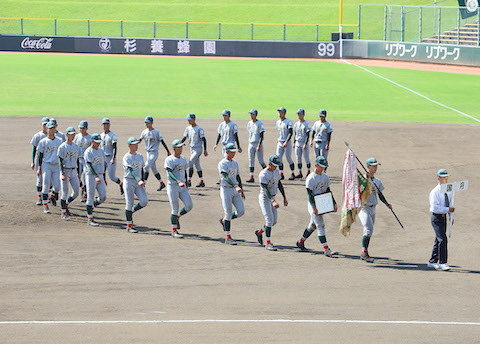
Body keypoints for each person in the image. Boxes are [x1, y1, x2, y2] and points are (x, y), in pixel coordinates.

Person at [295, 156, 338, 257]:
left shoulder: (325, 177)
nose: (323, 168)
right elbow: (309, 194)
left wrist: (334, 203)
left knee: (312, 225)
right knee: (320, 225)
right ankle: (326, 249)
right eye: (322, 166)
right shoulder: (310, 178)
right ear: (316, 165)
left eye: (324, 167)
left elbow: (328, 190)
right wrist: (313, 207)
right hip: (313, 203)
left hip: (322, 202)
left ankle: (300, 242)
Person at [358, 158, 393, 263]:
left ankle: (364, 251)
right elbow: (357, 192)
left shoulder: (377, 181)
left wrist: (387, 203)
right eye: (374, 166)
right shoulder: (362, 180)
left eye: (376, 166)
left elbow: (380, 194)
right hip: (363, 208)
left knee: (369, 231)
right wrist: (365, 181)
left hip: (373, 207)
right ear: (368, 167)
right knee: (368, 229)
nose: (376, 167)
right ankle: (364, 252)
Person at [255, 155, 288, 251]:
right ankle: (268, 243)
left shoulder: (276, 171)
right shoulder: (263, 174)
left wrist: (284, 197)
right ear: (269, 164)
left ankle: (259, 232)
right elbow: (265, 189)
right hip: (265, 198)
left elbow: (279, 184)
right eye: (274, 165)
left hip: (273, 197)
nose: (276, 167)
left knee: (274, 221)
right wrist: (272, 200)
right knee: (269, 220)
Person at [164, 139, 193, 239]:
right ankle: (174, 231)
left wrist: (187, 182)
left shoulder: (183, 158)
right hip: (172, 186)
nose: (180, 149)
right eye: (178, 147)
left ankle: (177, 218)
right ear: (174, 148)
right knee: (175, 208)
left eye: (181, 147)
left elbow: (184, 170)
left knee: (189, 205)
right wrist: (178, 181)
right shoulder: (169, 159)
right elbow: (170, 173)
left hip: (182, 186)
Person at [218, 143, 245, 245]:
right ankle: (228, 237)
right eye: (232, 152)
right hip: (226, 189)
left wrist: (241, 189)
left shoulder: (235, 162)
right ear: (227, 152)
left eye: (234, 152)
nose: (234, 154)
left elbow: (237, 176)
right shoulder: (222, 163)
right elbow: (225, 177)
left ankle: (225, 220)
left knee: (241, 211)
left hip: (235, 189)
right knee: (228, 213)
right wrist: (235, 186)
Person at [428, 169, 454, 271]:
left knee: (438, 239)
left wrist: (451, 216)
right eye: (444, 178)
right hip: (436, 218)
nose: (446, 179)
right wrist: (448, 209)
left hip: (443, 218)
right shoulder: (435, 191)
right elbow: (434, 208)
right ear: (439, 179)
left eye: (447, 177)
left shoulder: (448, 190)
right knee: (443, 239)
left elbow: (451, 203)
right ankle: (443, 262)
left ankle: (432, 261)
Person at [122, 137, 148, 233]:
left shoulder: (140, 156)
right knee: (129, 202)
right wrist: (138, 179)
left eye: (137, 144)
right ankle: (129, 225)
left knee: (144, 201)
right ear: (129, 145)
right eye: (134, 144)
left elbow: (142, 168)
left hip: (138, 182)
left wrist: (143, 180)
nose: (136, 146)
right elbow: (130, 170)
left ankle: (131, 212)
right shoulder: (126, 157)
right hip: (129, 181)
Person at [37, 120, 63, 214]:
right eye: (50, 128)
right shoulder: (43, 141)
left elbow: (61, 155)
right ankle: (45, 206)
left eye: (53, 128)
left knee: (57, 186)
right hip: (46, 165)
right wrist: (39, 167)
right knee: (46, 184)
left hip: (56, 166)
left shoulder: (59, 141)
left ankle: (52, 195)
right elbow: (40, 155)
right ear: (47, 129)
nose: (52, 130)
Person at [139, 116, 171, 191]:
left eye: (148, 123)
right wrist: (134, 142)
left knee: (146, 167)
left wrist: (168, 151)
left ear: (152, 123)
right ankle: (162, 183)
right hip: (148, 153)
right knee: (154, 170)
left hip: (154, 153)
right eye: (146, 123)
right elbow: (140, 140)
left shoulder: (156, 132)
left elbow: (162, 141)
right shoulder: (144, 132)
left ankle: (143, 184)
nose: (147, 124)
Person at [57, 127, 81, 221]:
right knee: (64, 192)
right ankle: (63, 213)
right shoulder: (62, 147)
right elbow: (60, 161)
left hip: (74, 170)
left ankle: (65, 204)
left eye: (74, 134)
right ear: (67, 135)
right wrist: (62, 173)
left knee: (76, 192)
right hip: (65, 171)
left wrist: (79, 172)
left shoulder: (76, 147)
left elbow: (78, 160)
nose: (73, 136)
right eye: (71, 134)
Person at [83, 133, 107, 226]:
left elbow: (103, 165)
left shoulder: (101, 151)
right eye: (96, 142)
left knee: (103, 196)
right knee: (90, 195)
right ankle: (90, 219)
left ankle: (92, 205)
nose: (98, 143)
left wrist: (103, 177)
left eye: (99, 142)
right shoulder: (88, 152)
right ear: (92, 141)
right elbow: (89, 165)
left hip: (100, 175)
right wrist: (96, 176)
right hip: (90, 176)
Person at [181, 113, 208, 187]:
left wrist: (205, 149)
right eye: (188, 120)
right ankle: (202, 181)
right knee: (197, 165)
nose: (189, 121)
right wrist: (179, 143)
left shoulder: (199, 129)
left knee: (190, 163)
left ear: (194, 119)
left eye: (190, 120)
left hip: (198, 149)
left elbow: (204, 139)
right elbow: (184, 137)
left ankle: (189, 181)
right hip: (191, 149)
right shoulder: (188, 128)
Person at [100, 117, 124, 195]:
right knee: (101, 174)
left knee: (112, 177)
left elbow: (114, 147)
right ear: (102, 125)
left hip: (110, 157)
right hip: (103, 158)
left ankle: (121, 184)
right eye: (104, 124)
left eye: (107, 124)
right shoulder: (100, 135)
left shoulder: (112, 135)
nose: (105, 126)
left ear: (109, 125)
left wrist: (113, 158)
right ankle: (102, 192)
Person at [30, 117, 49, 205]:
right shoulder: (37, 136)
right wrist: (32, 161)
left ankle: (47, 195)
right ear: (41, 124)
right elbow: (34, 149)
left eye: (47, 124)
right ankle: (39, 198)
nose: (45, 126)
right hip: (39, 160)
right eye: (44, 124)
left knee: (49, 179)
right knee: (39, 179)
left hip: (49, 160)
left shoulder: (53, 136)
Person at [245, 109, 266, 183]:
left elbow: (261, 135)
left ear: (256, 115)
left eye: (252, 114)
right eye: (250, 114)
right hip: (251, 143)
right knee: (251, 160)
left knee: (261, 160)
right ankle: (251, 176)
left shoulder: (260, 123)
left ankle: (266, 173)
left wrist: (259, 144)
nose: (251, 116)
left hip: (257, 143)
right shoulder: (249, 123)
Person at [275, 107, 295, 180]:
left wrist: (286, 141)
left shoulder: (288, 121)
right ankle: (281, 174)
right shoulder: (278, 122)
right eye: (279, 112)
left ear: (284, 113)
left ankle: (293, 173)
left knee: (288, 158)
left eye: (281, 112)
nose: (280, 114)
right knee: (278, 158)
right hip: (280, 142)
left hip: (287, 142)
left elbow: (291, 133)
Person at [74, 120, 92, 202]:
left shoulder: (89, 138)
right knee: (76, 176)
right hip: (78, 159)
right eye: (80, 128)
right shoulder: (77, 136)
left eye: (83, 128)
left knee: (85, 177)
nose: (81, 130)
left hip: (86, 161)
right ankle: (82, 187)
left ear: (86, 128)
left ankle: (85, 193)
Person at [293, 108, 311, 179]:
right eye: (298, 114)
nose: (299, 115)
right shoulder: (296, 124)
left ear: (303, 115)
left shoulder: (306, 124)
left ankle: (308, 172)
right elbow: (295, 134)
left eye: (300, 114)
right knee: (298, 158)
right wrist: (294, 142)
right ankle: (300, 172)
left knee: (306, 158)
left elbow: (308, 134)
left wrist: (306, 143)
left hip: (304, 142)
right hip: (298, 142)